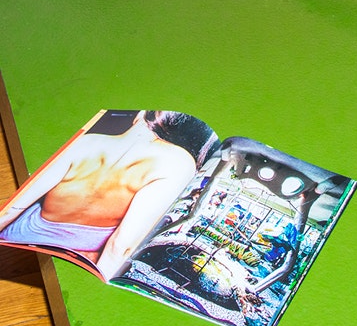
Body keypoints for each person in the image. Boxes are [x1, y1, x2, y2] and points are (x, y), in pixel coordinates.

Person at [0, 109, 217, 280]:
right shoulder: (178, 164)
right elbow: (120, 247)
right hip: (79, 260)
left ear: (141, 114)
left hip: (20, 235)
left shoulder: (87, 141)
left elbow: (14, 208)